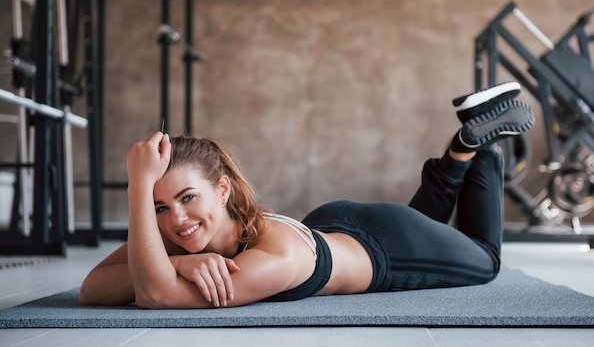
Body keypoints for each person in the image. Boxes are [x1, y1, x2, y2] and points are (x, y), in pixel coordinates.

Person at [79, 82, 535, 309]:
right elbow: (91, 288)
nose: (176, 220)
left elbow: (155, 295)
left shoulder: (274, 257)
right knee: (428, 222)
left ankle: (481, 147)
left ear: (222, 190)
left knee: (486, 259)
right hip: (335, 226)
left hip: (388, 250)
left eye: (186, 197)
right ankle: (461, 149)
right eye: (159, 206)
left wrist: (138, 185)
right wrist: (180, 261)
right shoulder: (185, 238)